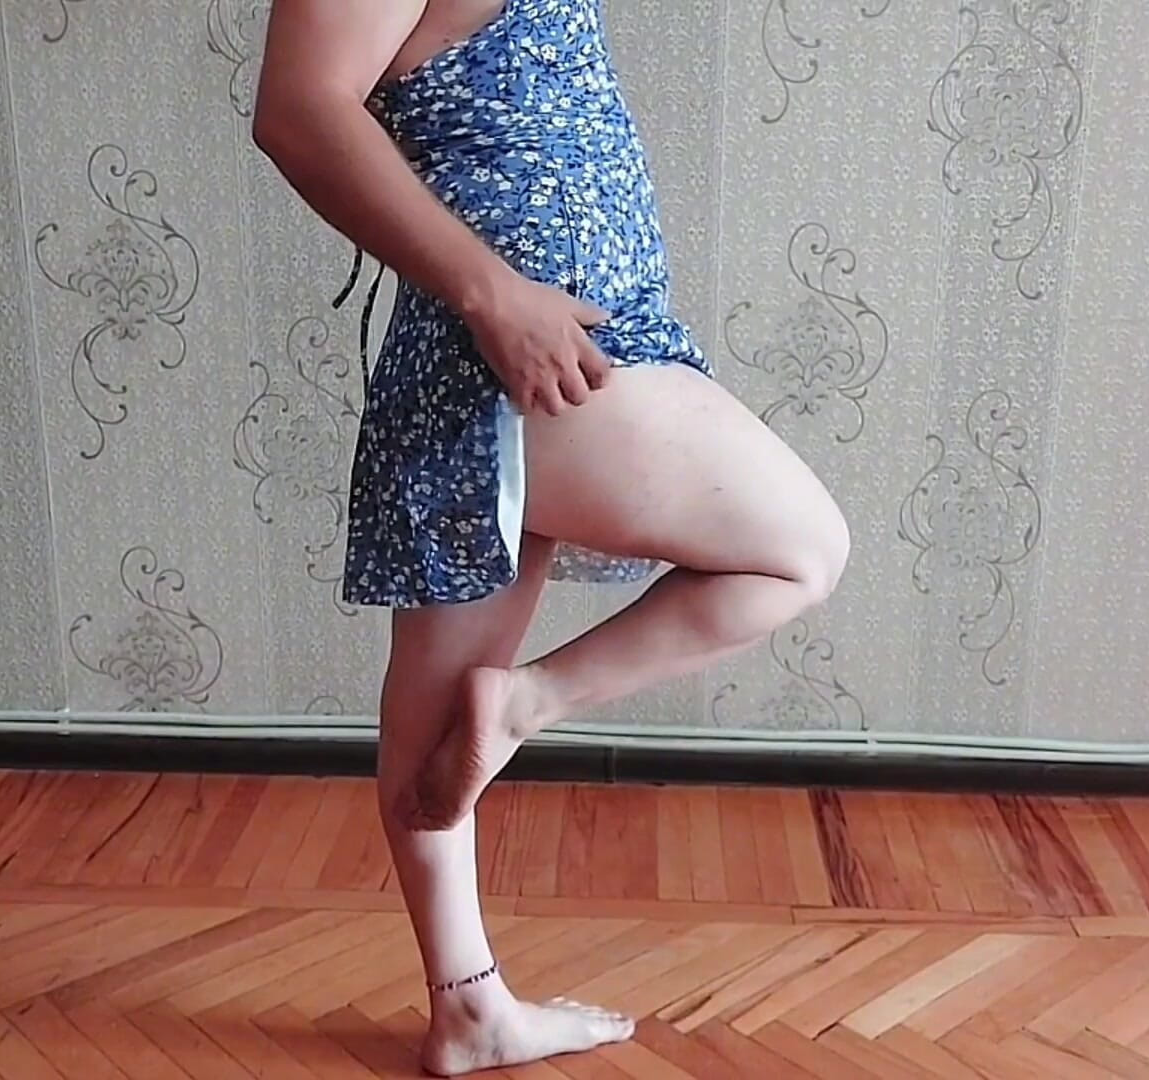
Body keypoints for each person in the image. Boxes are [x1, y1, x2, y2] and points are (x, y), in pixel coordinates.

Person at [252, 1, 849, 1073]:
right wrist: (495, 300)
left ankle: (468, 1008)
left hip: (529, 341)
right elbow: (298, 110)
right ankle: (529, 702)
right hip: (524, 347)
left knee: (435, 714)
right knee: (802, 548)